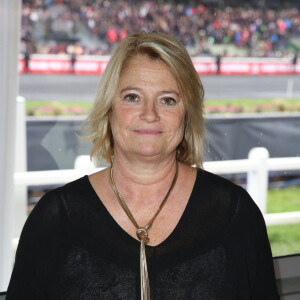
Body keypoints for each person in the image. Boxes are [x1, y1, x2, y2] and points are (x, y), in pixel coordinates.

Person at [7, 32, 279, 299]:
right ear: (109, 107)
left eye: (168, 100)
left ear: (186, 115)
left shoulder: (235, 214)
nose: (150, 114)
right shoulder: (54, 219)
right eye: (132, 97)